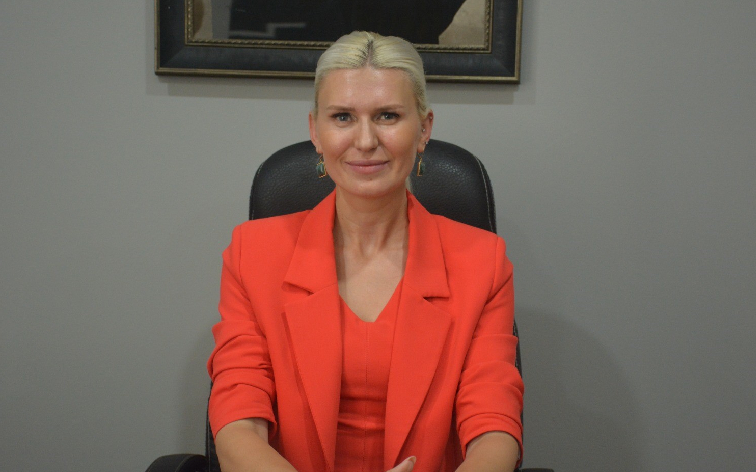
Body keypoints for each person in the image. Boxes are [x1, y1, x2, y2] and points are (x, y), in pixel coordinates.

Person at [207, 31, 523, 472]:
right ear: (315, 131)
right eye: (342, 117)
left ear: (424, 129)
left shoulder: (482, 263)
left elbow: (494, 428)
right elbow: (237, 422)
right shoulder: (253, 254)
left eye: (387, 116)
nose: (366, 140)